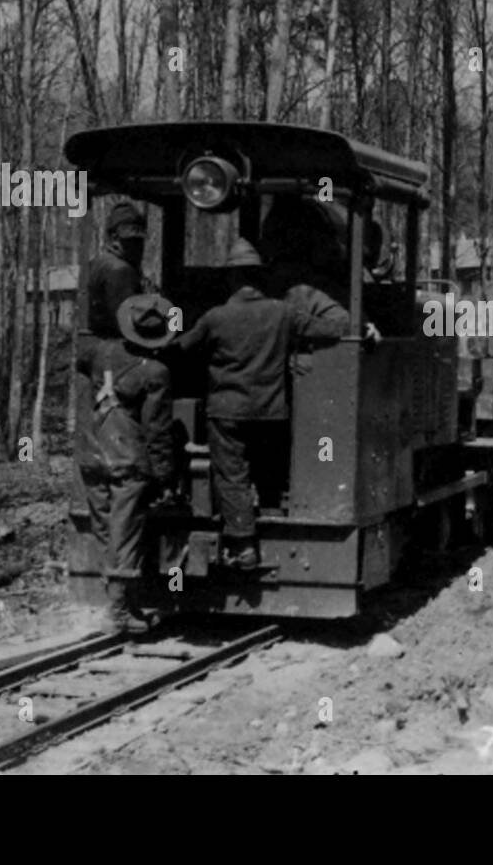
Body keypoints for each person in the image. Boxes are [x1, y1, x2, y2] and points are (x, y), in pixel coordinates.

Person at [176, 239, 350, 570]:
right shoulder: (283, 313)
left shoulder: (215, 317)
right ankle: (270, 514)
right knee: (269, 466)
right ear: (259, 276)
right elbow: (335, 327)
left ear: (231, 278)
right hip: (271, 411)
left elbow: (182, 349)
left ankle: (244, 546)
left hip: (226, 411)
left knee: (232, 475)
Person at [76, 294, 178, 633]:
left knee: (105, 529)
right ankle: (119, 611)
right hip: (127, 461)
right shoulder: (156, 373)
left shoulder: (98, 353)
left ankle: (123, 602)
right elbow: (157, 431)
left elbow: (81, 349)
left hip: (92, 455)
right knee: (125, 532)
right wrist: (164, 476)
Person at [87, 202, 148, 342]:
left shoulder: (98, 262)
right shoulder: (121, 270)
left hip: (99, 341)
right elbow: (130, 323)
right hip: (116, 345)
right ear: (114, 238)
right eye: (130, 241)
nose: (137, 247)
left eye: (139, 241)